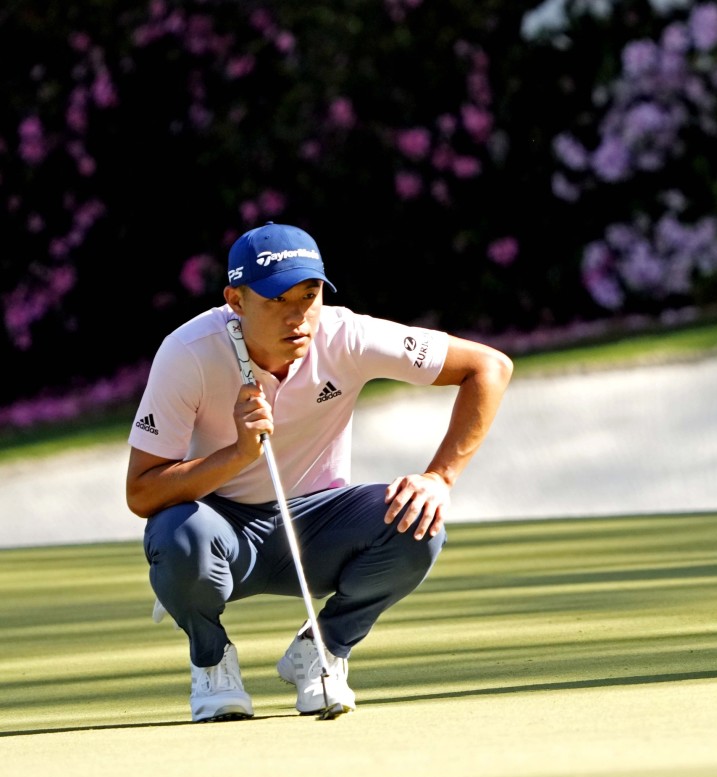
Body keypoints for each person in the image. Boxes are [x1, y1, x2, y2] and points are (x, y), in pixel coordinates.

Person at [126, 222, 513, 720]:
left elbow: (489, 367)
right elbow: (141, 493)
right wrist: (238, 454)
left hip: (317, 527)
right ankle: (211, 659)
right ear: (236, 300)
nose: (299, 317)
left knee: (417, 522)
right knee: (177, 536)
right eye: (276, 300)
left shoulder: (346, 335)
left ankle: (322, 651)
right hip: (218, 529)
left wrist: (439, 477)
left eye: (309, 296)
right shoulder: (188, 353)